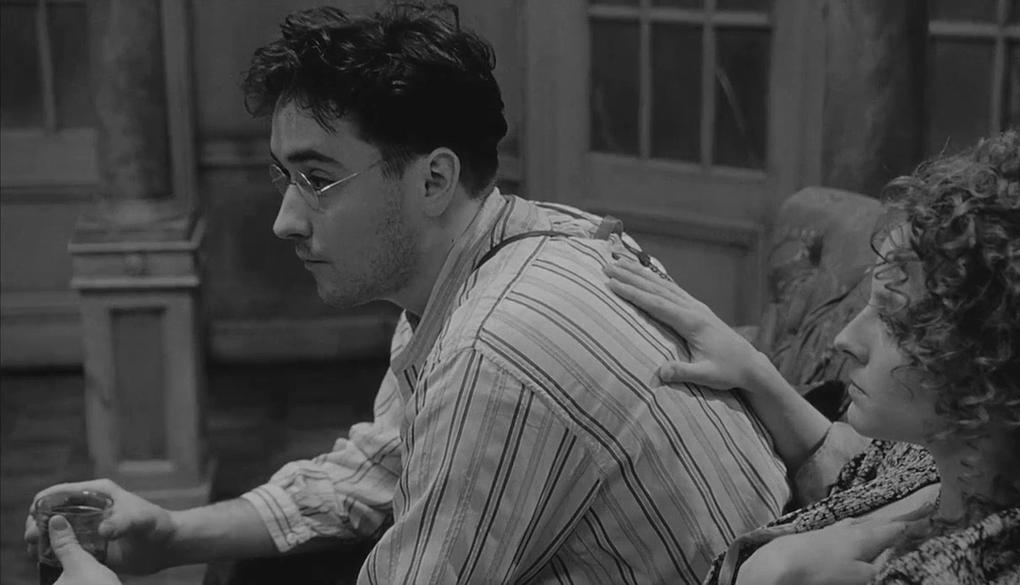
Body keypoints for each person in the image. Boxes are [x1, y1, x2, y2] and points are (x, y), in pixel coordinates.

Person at [25, 5, 790, 584]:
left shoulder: (496, 344)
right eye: (284, 176)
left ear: (434, 179)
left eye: (318, 179)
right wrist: (173, 534)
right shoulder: (515, 242)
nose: (285, 220)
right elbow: (385, 462)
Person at [604, 127, 1020, 584]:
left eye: (892, 318)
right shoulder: (957, 468)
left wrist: (765, 577)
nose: (845, 339)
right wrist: (754, 370)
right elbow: (863, 466)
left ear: (989, 376)